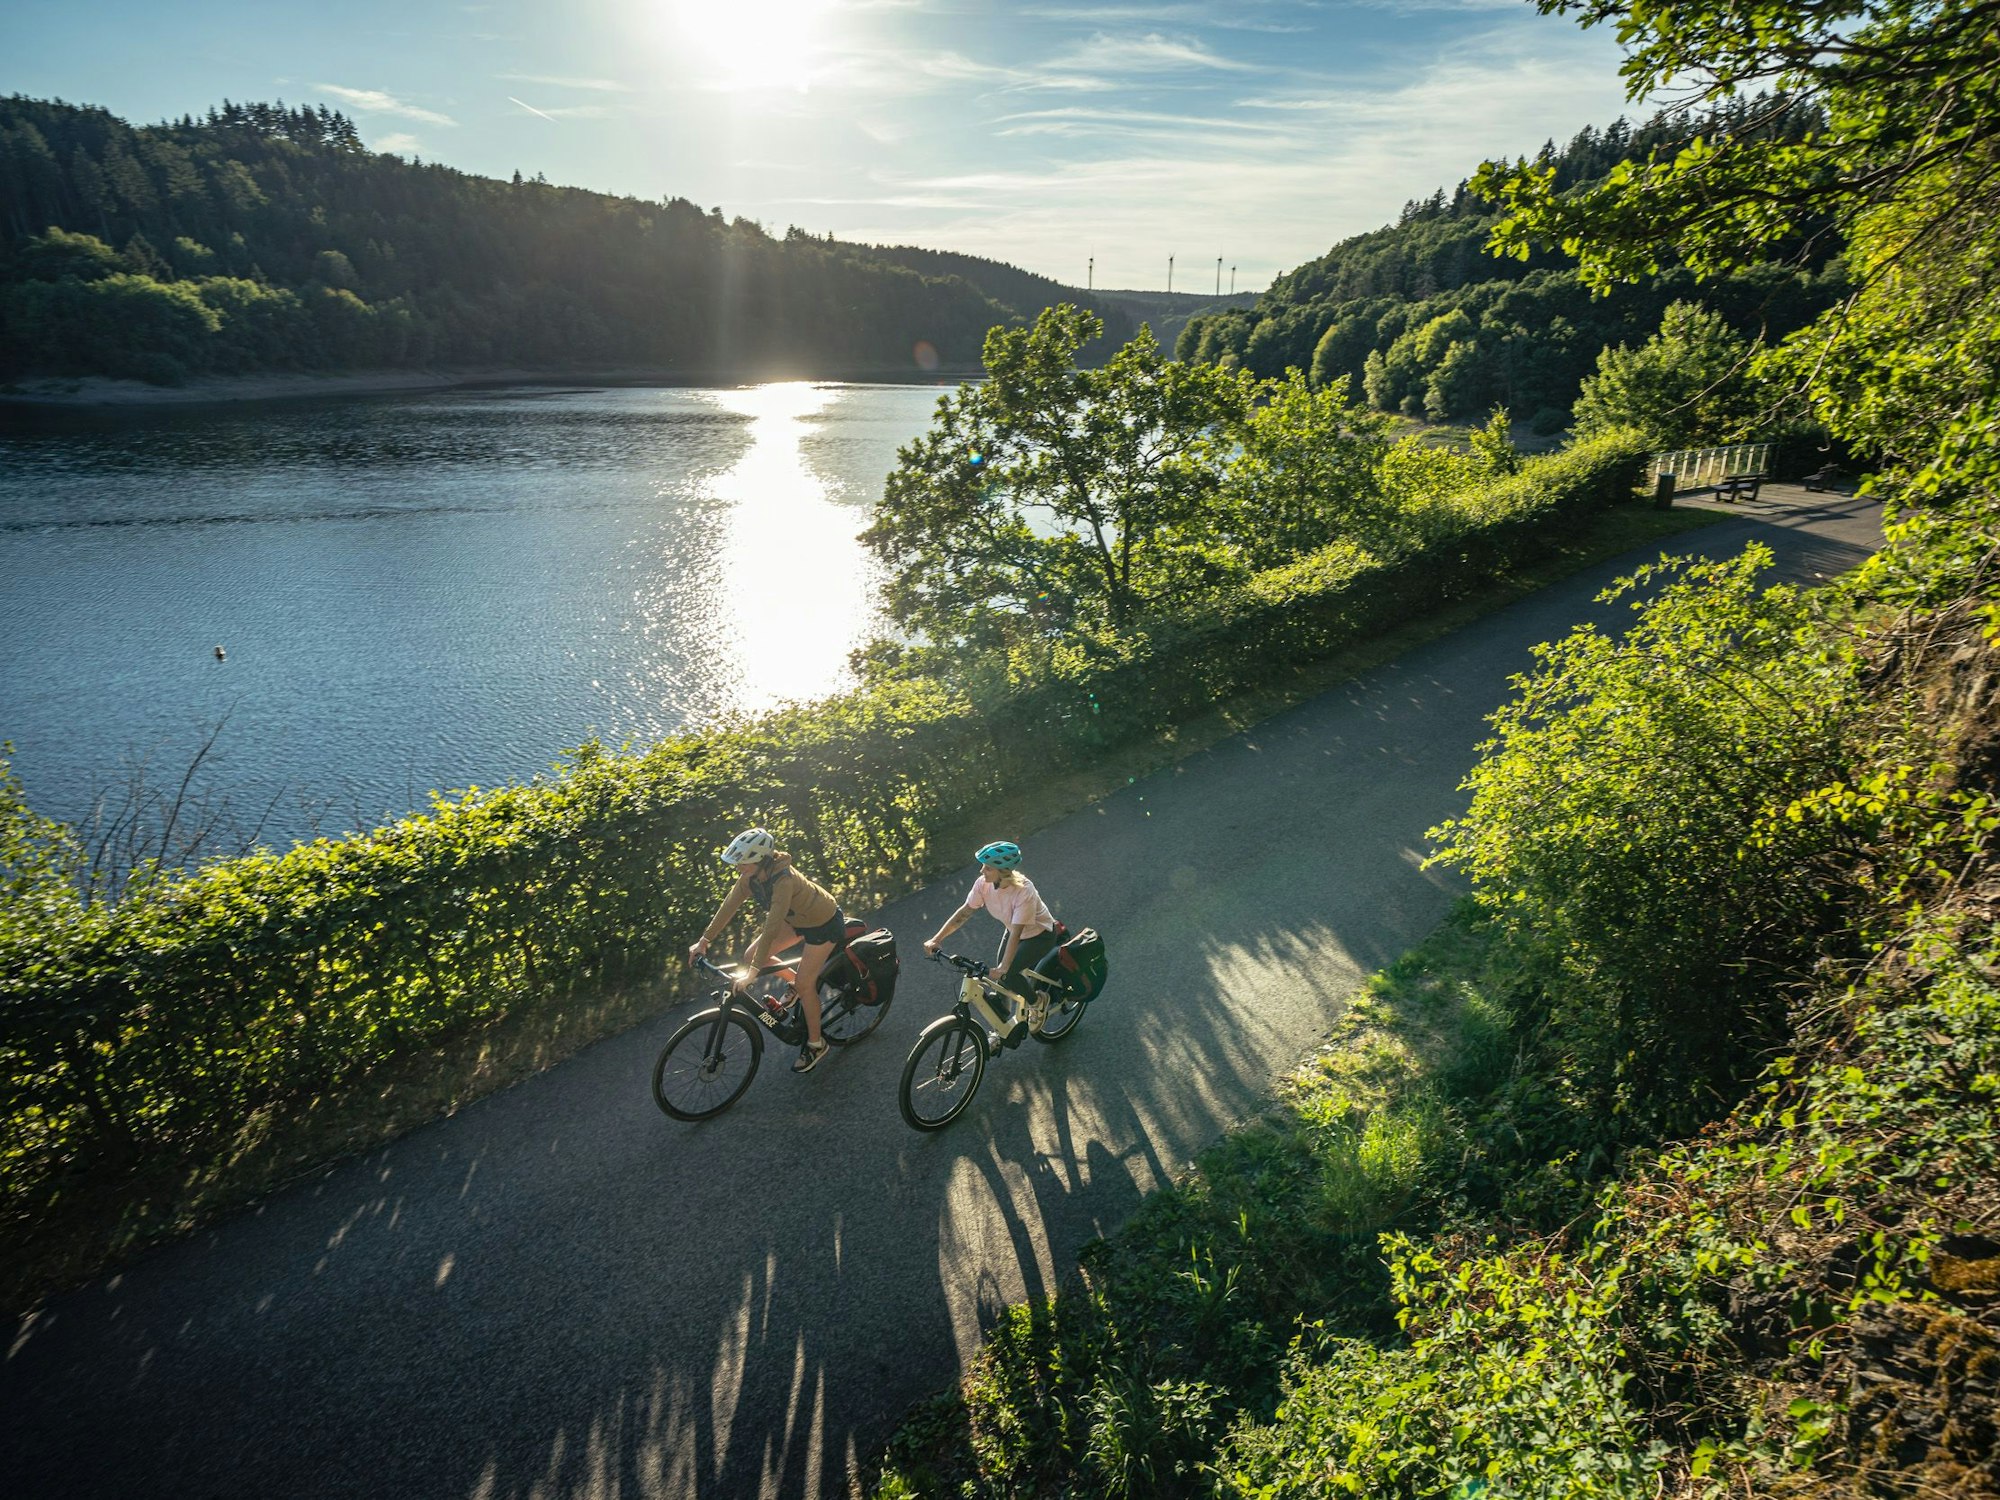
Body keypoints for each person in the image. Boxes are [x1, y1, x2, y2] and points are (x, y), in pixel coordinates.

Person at [687, 828, 845, 1073]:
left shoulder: (784, 880)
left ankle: (816, 1043)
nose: (738, 867)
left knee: (806, 985)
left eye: (743, 862)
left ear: (761, 860)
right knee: (751, 955)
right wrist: (704, 940)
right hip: (797, 920)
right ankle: (795, 982)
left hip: (822, 923)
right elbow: (729, 906)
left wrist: (752, 973)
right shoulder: (751, 877)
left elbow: (772, 926)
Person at [922, 840, 1061, 1027]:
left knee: (1007, 974)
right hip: (1013, 929)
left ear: (1002, 871)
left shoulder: (1023, 891)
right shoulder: (984, 884)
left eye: (987, 868)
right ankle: (1004, 1021)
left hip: (1039, 935)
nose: (981, 871)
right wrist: (936, 939)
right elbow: (964, 913)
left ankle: (1037, 1001)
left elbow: (1017, 933)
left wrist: (1004, 968)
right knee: (1001, 980)